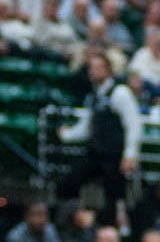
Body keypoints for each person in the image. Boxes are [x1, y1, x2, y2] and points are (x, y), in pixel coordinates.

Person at [57, 53, 141, 227]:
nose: (93, 72)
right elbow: (86, 127)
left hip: (114, 155)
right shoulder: (93, 96)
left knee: (115, 197)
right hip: (96, 152)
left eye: (98, 67)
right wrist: (67, 135)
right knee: (69, 182)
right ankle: (73, 220)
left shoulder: (120, 93)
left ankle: (113, 228)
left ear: (109, 70)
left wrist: (130, 154)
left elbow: (133, 125)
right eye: (91, 68)